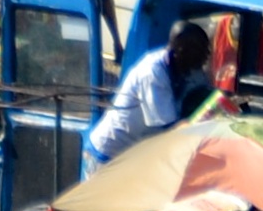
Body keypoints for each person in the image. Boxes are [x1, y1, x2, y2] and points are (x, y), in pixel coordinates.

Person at [87, 17, 218, 166]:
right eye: (201, 51)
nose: (206, 57)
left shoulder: (188, 68)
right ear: (181, 50)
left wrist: (224, 104)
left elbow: (209, 95)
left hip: (133, 155)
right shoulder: (152, 73)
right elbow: (171, 131)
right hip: (107, 154)